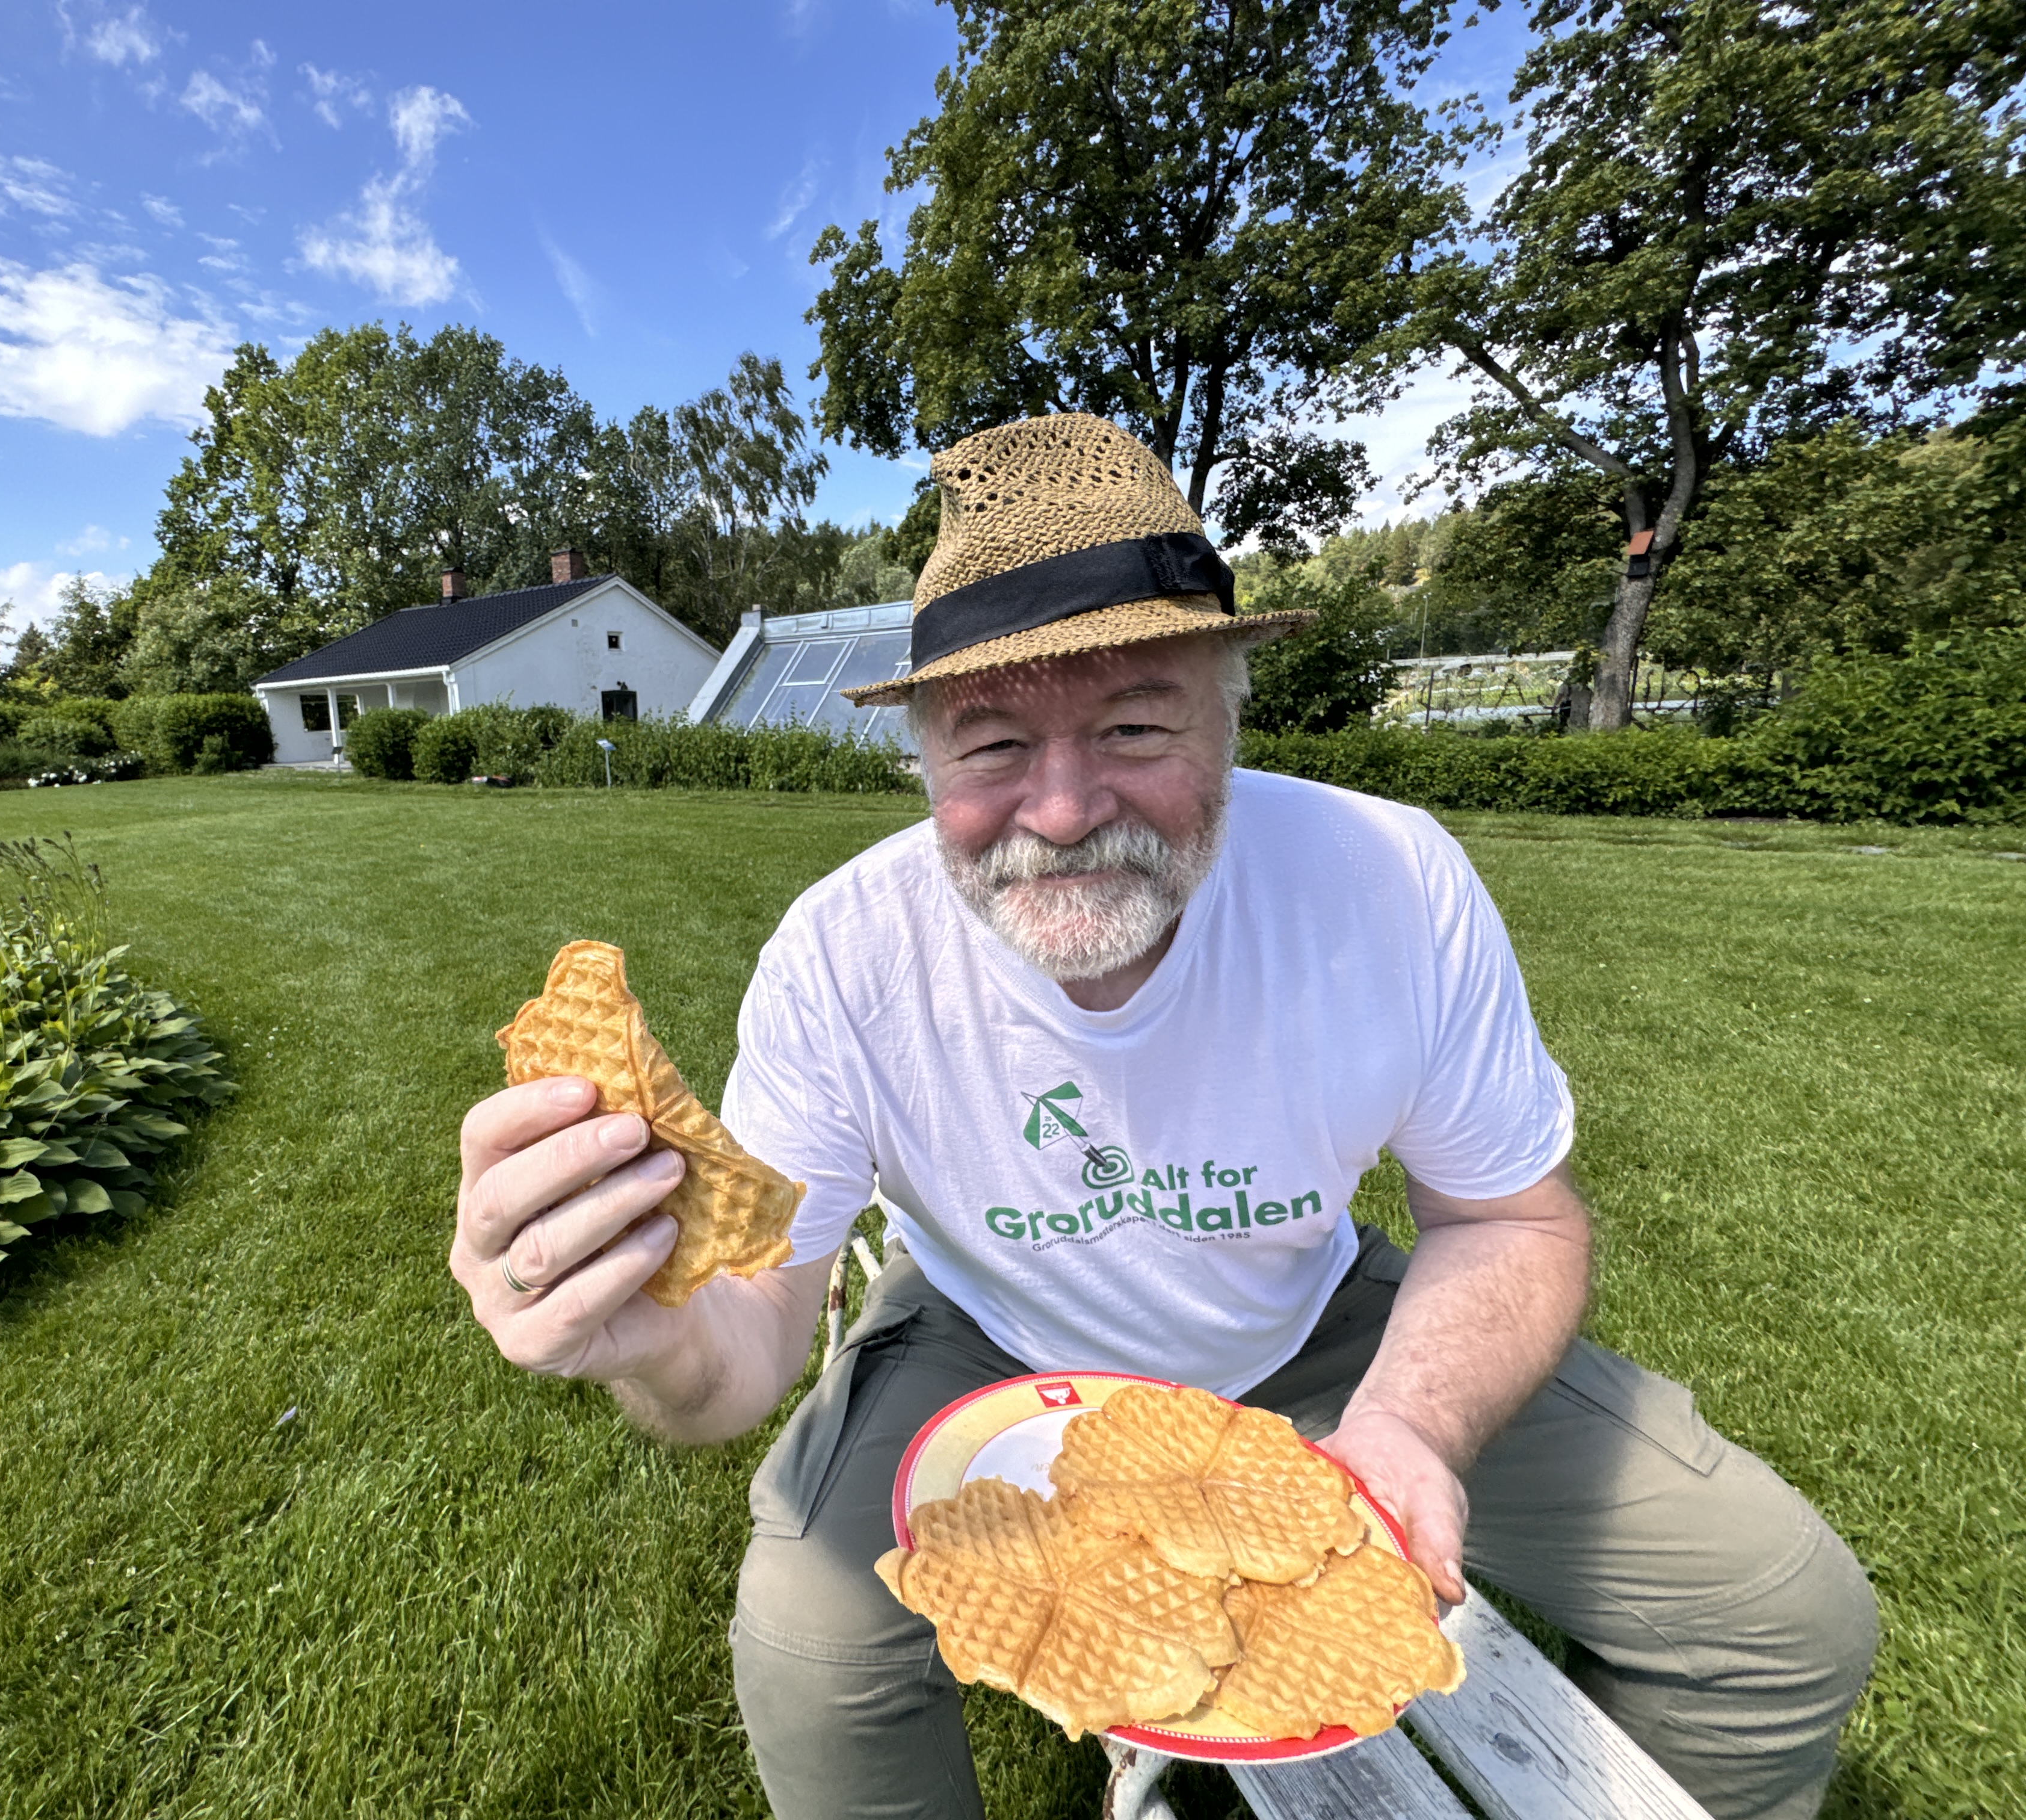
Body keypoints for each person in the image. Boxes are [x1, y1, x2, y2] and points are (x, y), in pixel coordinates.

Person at [450, 415, 1876, 1820]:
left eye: (1135, 723)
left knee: (1783, 1611)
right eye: (993, 743)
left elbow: (1510, 1217)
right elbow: (745, 1337)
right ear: (923, 760)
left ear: (1232, 708)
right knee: (816, 1652)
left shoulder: (1387, 882)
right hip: (981, 1342)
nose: (1062, 811)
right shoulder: (845, 954)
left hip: (1313, 1331)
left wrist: (1412, 1429)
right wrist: (648, 1337)